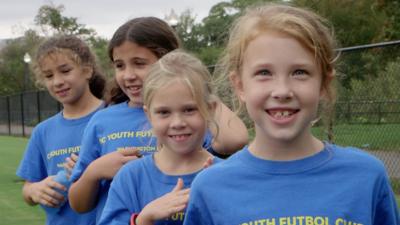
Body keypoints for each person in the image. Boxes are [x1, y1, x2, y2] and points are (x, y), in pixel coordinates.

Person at [183, 4, 400, 225]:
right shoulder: (210, 188)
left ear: (324, 84)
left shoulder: (366, 176)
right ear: (239, 86)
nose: (282, 91)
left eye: (300, 72)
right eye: (264, 73)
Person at [68, 17, 248, 223]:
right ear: (149, 115)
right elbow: (79, 202)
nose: (128, 75)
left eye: (139, 63)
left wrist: (190, 80)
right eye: (120, 65)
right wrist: (94, 172)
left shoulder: (221, 174)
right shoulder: (128, 171)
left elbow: (235, 139)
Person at [98, 50, 222, 225]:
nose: (177, 123)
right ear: (149, 115)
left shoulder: (227, 176)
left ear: (210, 109)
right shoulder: (131, 177)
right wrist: (144, 219)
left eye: (189, 110)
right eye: (164, 112)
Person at [16, 35, 106, 225]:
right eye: (49, 76)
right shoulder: (43, 131)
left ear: (87, 70)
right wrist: (34, 191)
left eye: (65, 71)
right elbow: (28, 187)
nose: (57, 81)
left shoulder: (112, 117)